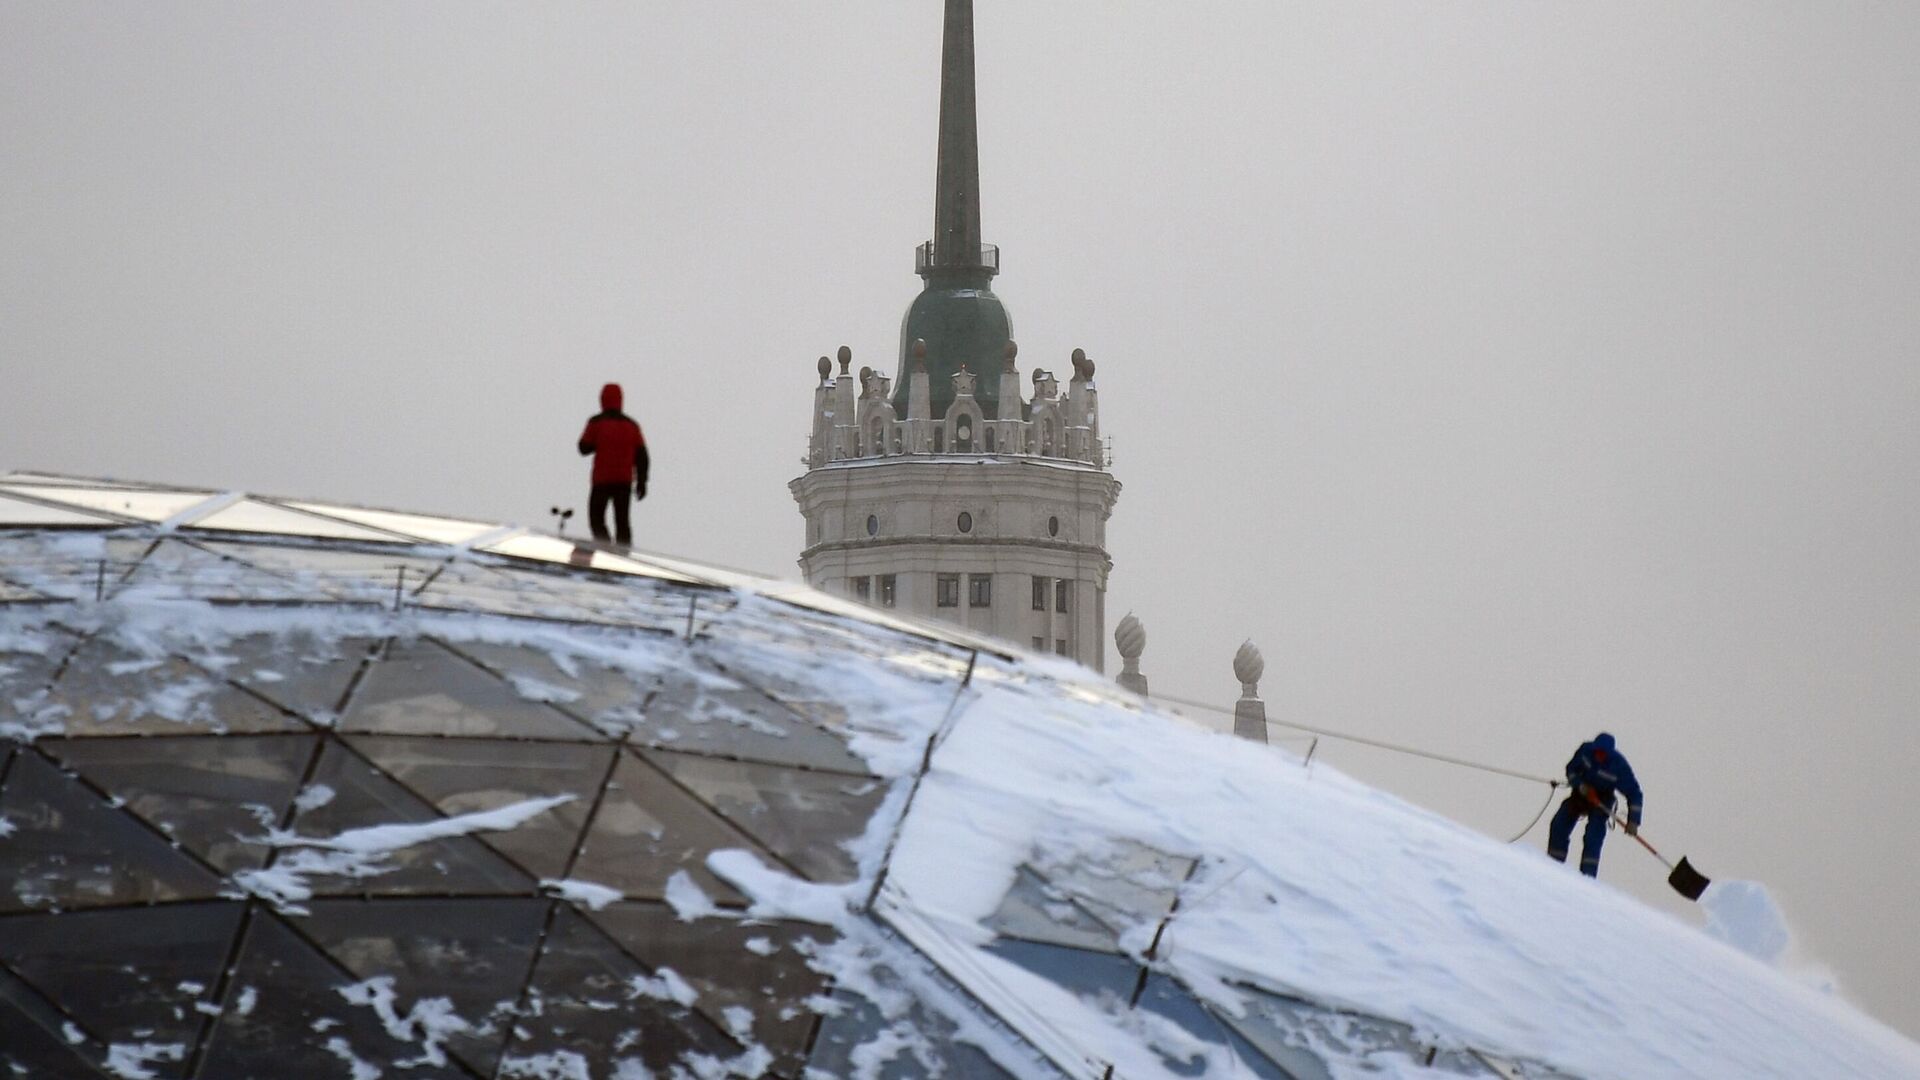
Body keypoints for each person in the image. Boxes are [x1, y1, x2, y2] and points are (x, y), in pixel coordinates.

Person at [1547, 732, 1644, 878]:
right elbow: (1571, 769)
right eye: (1597, 751)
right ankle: (1553, 866)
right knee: (1559, 824)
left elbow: (1635, 794)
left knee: (1593, 837)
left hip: (1602, 802)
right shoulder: (1585, 751)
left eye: (1603, 753)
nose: (1599, 755)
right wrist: (1580, 785)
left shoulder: (1619, 766)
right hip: (1580, 794)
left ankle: (1587, 878)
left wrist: (1633, 821)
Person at [577, 382, 649, 545]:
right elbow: (643, 456)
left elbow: (583, 448)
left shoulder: (596, 422)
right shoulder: (632, 426)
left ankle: (605, 548)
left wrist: (599, 442)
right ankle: (623, 555)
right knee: (622, 521)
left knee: (596, 518)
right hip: (624, 481)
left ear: (602, 400)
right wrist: (642, 482)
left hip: (602, 480)